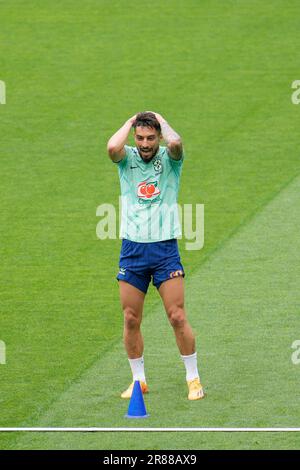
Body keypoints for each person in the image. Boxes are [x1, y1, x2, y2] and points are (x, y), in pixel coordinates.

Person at [107, 111, 204, 400]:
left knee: (176, 316)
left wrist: (161, 121)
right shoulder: (127, 159)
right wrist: (129, 121)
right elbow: (112, 148)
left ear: (158, 136)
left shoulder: (171, 159)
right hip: (132, 250)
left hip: (164, 249)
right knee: (130, 318)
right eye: (140, 138)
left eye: (151, 138)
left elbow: (177, 143)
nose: (145, 144)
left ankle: (193, 378)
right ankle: (139, 381)